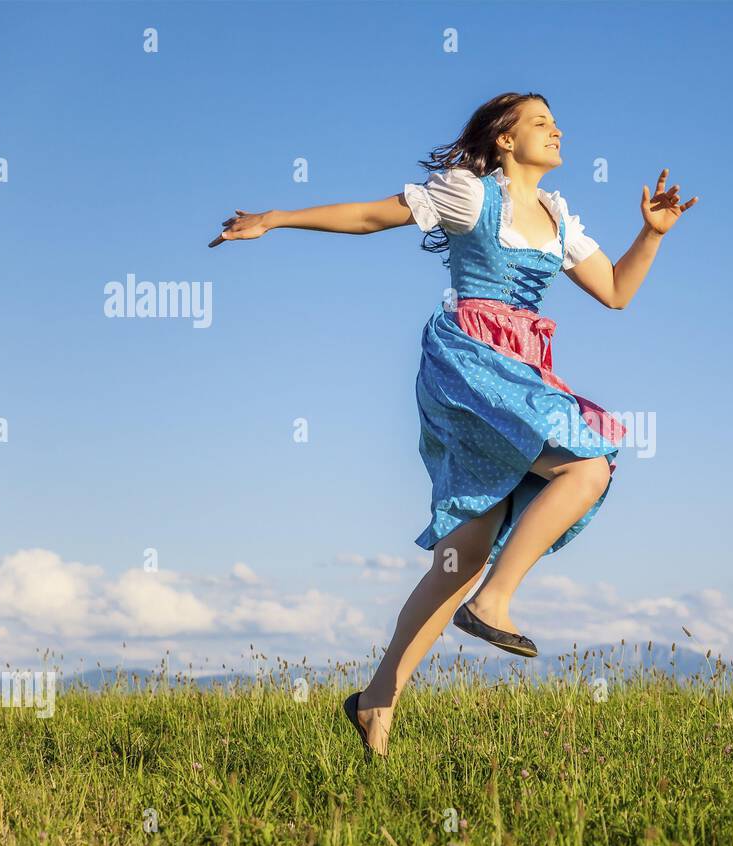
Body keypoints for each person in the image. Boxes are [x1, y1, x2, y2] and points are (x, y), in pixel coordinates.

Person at [209, 91, 697, 759]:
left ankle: (374, 702)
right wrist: (276, 218)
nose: (556, 131)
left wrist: (653, 235)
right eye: (540, 123)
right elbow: (368, 217)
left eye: (556, 123)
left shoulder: (557, 216)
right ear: (503, 140)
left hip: (525, 368)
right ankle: (494, 602)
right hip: (471, 361)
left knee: (460, 552)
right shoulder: (469, 194)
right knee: (588, 462)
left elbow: (615, 291)